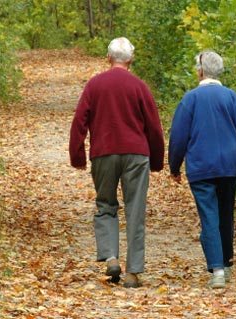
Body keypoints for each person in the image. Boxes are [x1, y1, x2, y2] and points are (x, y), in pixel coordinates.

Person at [69, 37, 165, 288]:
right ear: (131, 59)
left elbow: (79, 120)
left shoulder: (95, 85)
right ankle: (133, 273)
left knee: (105, 205)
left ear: (108, 58)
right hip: (136, 154)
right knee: (135, 210)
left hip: (103, 153)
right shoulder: (140, 87)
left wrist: (77, 155)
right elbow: (154, 127)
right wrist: (156, 160)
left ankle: (111, 257)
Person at [168, 50, 236, 289]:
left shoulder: (190, 99)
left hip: (201, 168)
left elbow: (178, 137)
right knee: (225, 215)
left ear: (200, 72)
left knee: (209, 217)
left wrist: (174, 166)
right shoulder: (232, 98)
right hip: (230, 167)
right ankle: (227, 264)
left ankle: (218, 270)